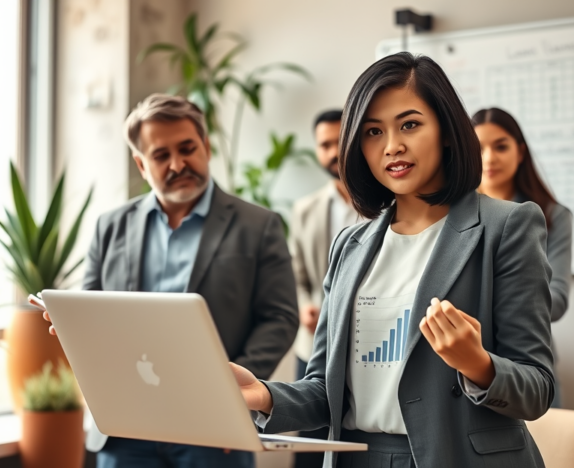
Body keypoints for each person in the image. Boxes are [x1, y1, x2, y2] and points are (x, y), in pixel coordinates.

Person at [229, 52, 555, 468]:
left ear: (448, 131)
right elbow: (323, 390)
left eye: (410, 124)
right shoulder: (350, 245)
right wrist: (263, 394)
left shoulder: (506, 226)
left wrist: (478, 363)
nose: (392, 145)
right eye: (372, 131)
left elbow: (538, 388)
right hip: (358, 458)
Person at [45, 94, 298, 468]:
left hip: (213, 429)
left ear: (206, 147)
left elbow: (279, 318)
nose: (178, 164)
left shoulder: (258, 226)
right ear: (141, 165)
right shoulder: (110, 227)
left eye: (187, 148)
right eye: (161, 155)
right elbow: (90, 312)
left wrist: (230, 390)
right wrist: (70, 326)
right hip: (124, 430)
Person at [472, 107, 572, 408]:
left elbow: (558, 301)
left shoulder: (553, 216)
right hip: (464, 365)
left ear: (520, 152)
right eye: (478, 148)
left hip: (525, 361)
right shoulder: (449, 215)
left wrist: (492, 297)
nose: (489, 158)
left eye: (500, 146)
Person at [289, 109, 360, 468]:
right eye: (324, 144)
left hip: (366, 343)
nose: (333, 151)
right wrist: (304, 305)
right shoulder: (304, 210)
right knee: (311, 445)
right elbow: (296, 274)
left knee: (359, 434)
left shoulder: (388, 203)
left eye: (339, 141)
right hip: (315, 341)